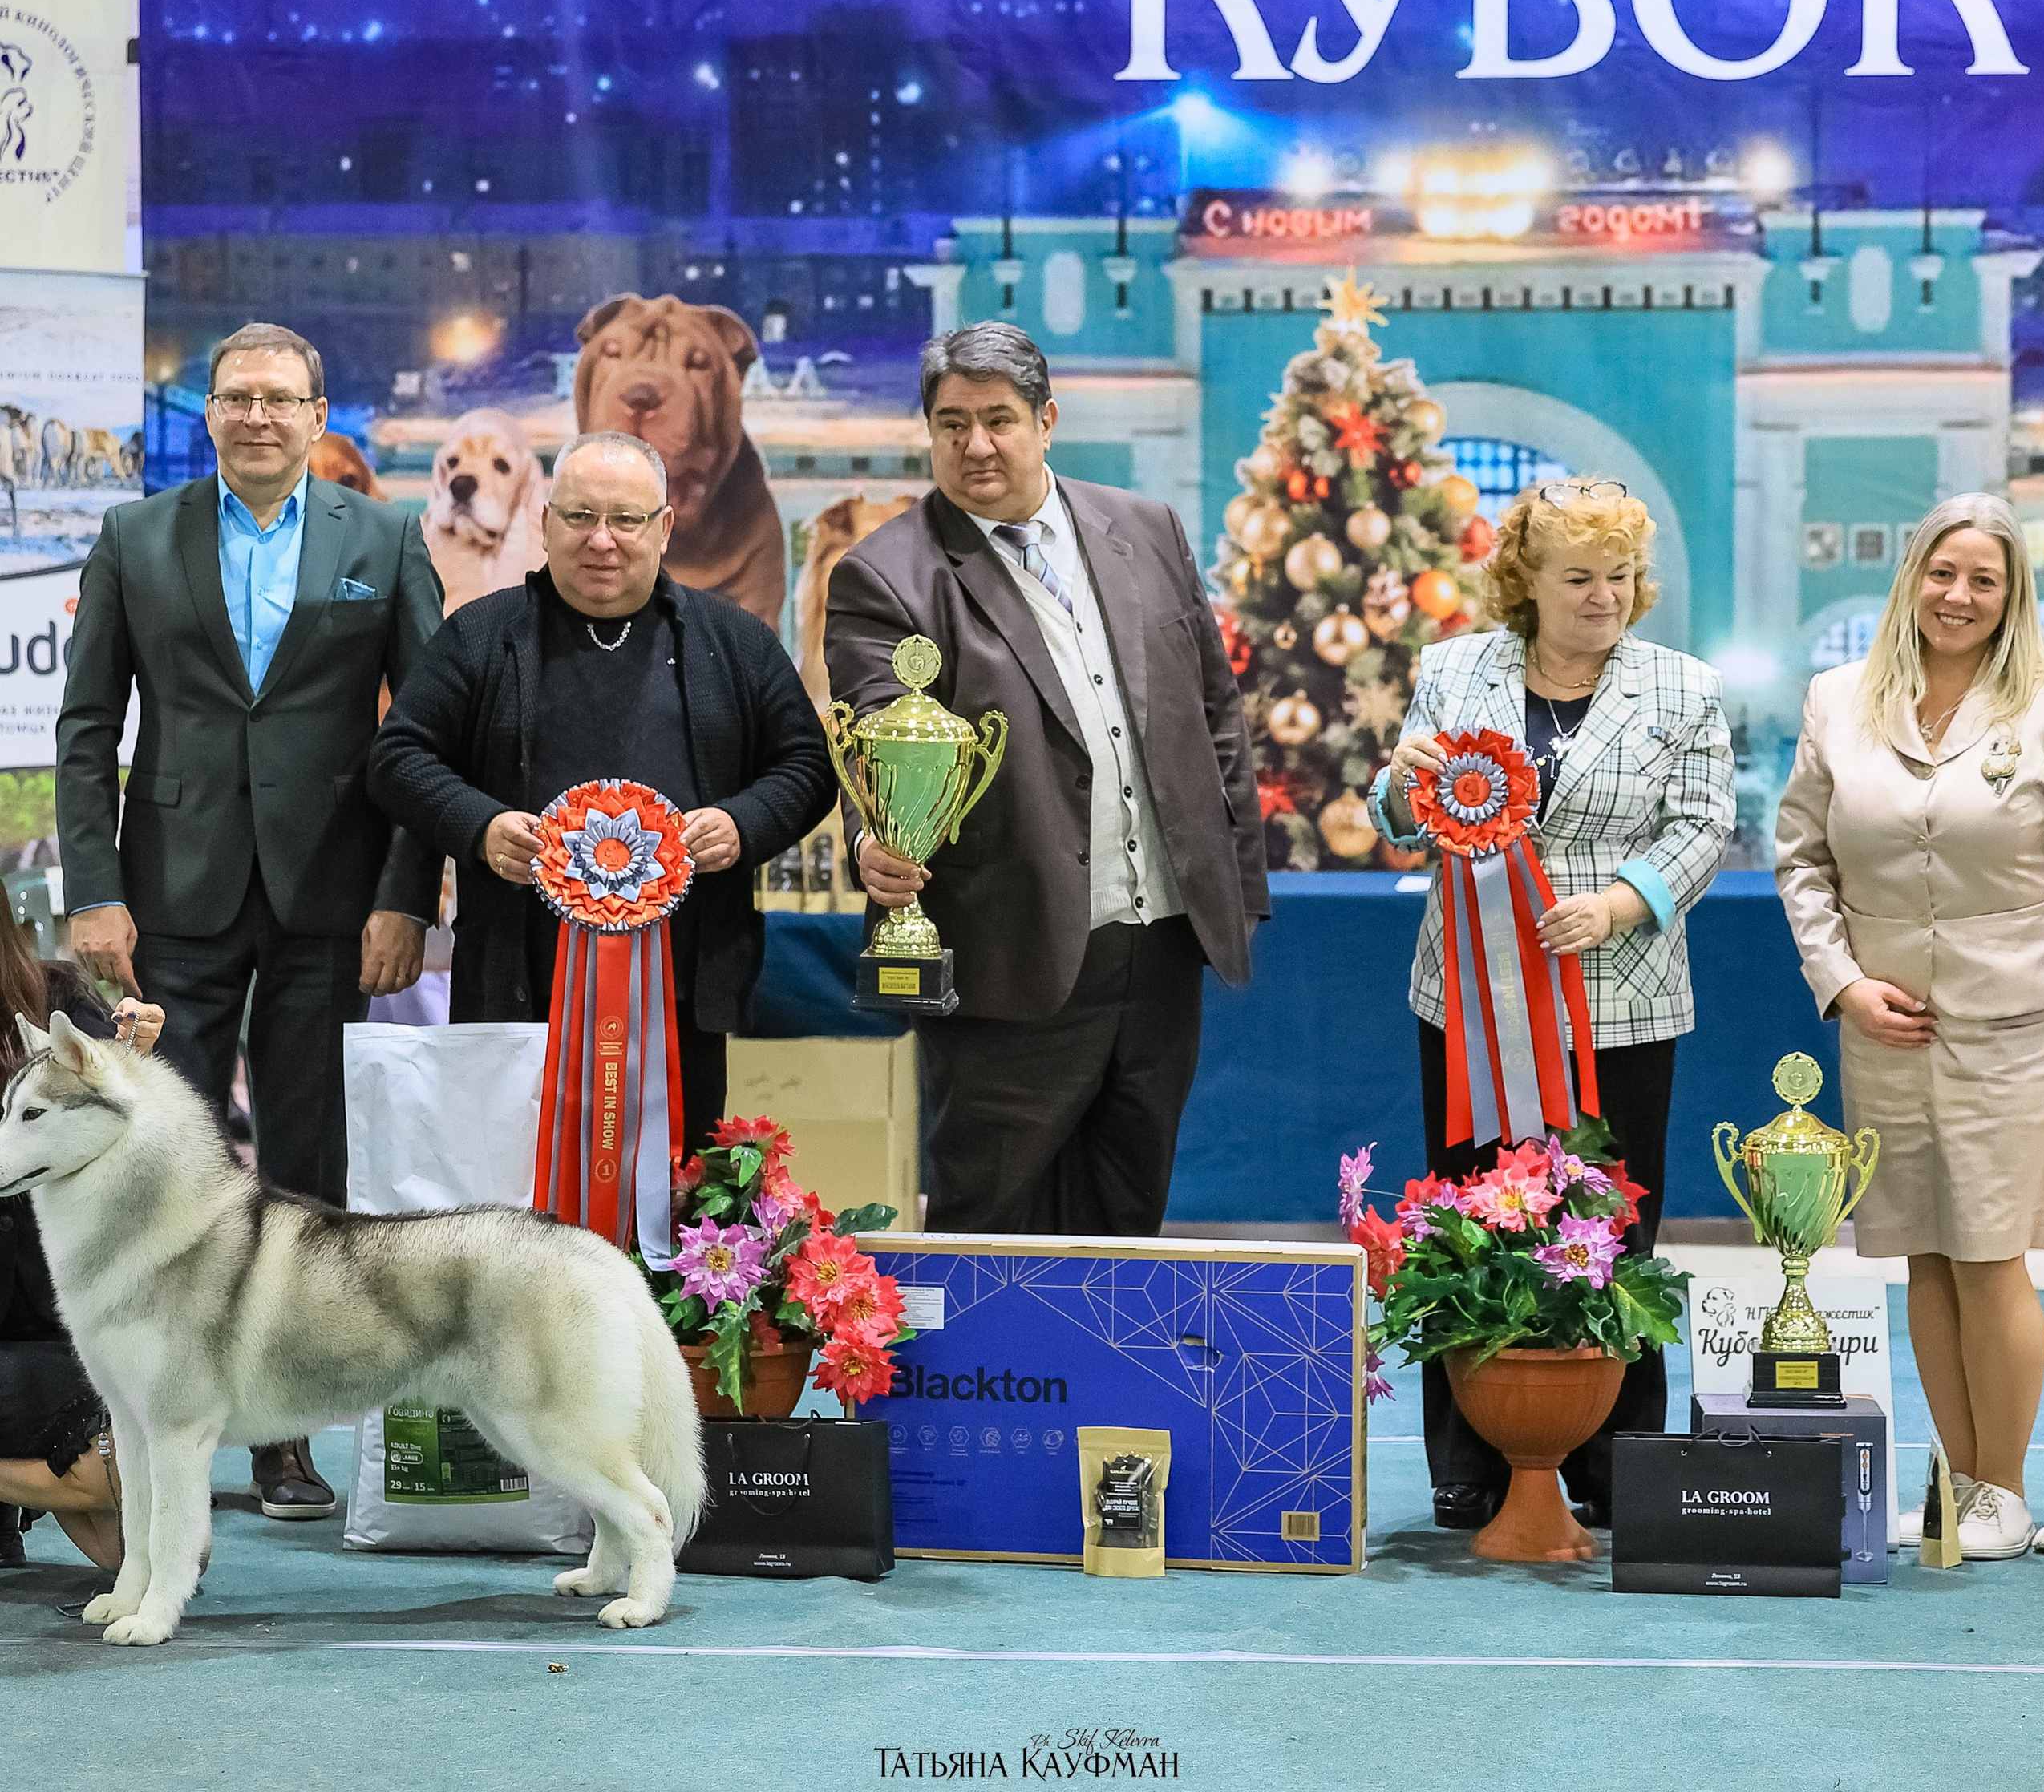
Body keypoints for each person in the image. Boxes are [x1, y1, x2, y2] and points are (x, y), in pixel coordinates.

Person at [55, 320, 443, 1520]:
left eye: (283, 399)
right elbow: (84, 730)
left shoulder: (383, 535)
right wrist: (95, 889)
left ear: (321, 416)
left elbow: (423, 735)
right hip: (170, 894)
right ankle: (134, 1424)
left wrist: (400, 897)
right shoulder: (134, 535)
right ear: (210, 412)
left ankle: (288, 1435)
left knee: (309, 1160)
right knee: (152, 1159)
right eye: (237, 398)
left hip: (334, 897)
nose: (259, 417)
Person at [824, 322, 1269, 1236]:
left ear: (1047, 419)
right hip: (1006, 946)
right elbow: (876, 732)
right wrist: (879, 838)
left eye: (998, 419)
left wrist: (1236, 885)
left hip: (1162, 937)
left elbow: (1213, 712)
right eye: (951, 424)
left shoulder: (1147, 529)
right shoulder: (886, 573)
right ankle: (990, 1386)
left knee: (1130, 1205)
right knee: (991, 1214)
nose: (975, 445)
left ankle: (1110, 1380)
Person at [1374, 478, 1734, 1531]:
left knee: (1615, 1231)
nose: (1604, 597)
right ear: (1524, 580)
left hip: (1622, 1002)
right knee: (1469, 1218)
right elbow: (1402, 819)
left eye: (1621, 577)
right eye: (1579, 577)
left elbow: (1704, 829)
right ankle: (1468, 1459)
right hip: (1469, 1000)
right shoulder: (1450, 672)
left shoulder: (1683, 689)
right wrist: (1401, 784)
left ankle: (1619, 1456)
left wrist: (1625, 902)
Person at [367, 432, 835, 1145]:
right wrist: (480, 826)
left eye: (627, 519)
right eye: (580, 517)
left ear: (665, 527)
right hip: (513, 986)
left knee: (677, 1201)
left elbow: (805, 765)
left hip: (682, 990)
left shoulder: (734, 641)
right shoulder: (480, 637)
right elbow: (399, 756)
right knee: (510, 1194)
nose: (602, 541)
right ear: (548, 521)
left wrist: (744, 824)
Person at [1776, 493, 2044, 1562]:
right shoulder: (1838, 699)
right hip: (1882, 1028)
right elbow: (1804, 859)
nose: (1959, 596)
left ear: (2010, 594)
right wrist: (1841, 982)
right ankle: (1964, 1489)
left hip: (2014, 1027)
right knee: (1924, 1260)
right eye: (1944, 574)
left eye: (1984, 580)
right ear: (1912, 579)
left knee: (1991, 1256)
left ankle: (2008, 1490)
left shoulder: (2039, 702)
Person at [0, 900, 164, 1574]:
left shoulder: (59, 994)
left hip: (63, 1327)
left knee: (151, 1550)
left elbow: (133, 1123)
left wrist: (135, 1055)